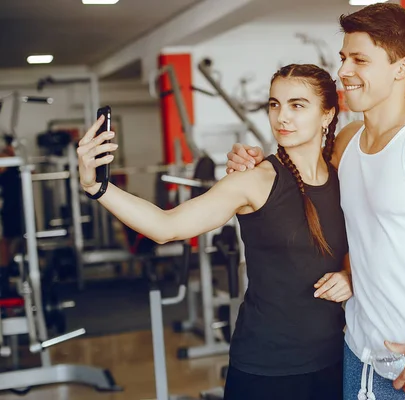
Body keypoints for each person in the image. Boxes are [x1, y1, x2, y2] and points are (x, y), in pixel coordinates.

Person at [225, 3, 405, 400]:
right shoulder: (346, 142)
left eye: (360, 59)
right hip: (356, 356)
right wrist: (250, 162)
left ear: (401, 67)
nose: (344, 71)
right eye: (344, 57)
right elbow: (314, 203)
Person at [77, 64, 352, 400]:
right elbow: (167, 227)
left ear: (327, 115)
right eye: (274, 104)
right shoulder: (254, 180)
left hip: (335, 358)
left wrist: (350, 274)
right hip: (267, 367)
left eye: (297, 105)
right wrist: (97, 186)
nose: (282, 117)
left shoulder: (345, 176)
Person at [0, 134, 23, 298]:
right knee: (6, 243)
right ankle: (5, 279)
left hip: (16, 209)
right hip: (8, 208)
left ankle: (8, 278)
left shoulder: (15, 167)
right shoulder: (7, 167)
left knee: (15, 241)